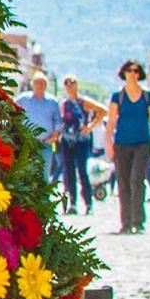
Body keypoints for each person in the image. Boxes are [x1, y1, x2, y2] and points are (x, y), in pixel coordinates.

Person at [104, 59, 150, 234]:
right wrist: (108, 143)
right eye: (129, 70)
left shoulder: (147, 96)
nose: (132, 74)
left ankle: (138, 219)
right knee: (123, 182)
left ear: (140, 74)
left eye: (136, 71)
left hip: (142, 144)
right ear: (124, 73)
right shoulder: (118, 96)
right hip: (121, 144)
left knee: (137, 180)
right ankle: (126, 221)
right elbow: (112, 120)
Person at [54, 75, 103, 214]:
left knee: (82, 170)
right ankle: (72, 203)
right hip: (66, 140)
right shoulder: (63, 103)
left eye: (72, 83)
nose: (70, 85)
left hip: (81, 140)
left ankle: (88, 203)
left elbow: (102, 111)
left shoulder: (83, 101)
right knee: (69, 172)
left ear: (77, 85)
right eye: (67, 83)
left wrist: (90, 126)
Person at [14, 70, 60, 175]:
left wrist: (55, 136)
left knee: (43, 175)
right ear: (32, 84)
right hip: (26, 143)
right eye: (37, 82)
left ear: (46, 85)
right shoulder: (23, 99)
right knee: (25, 173)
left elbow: (58, 121)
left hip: (45, 144)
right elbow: (11, 110)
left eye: (43, 83)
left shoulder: (53, 102)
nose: (40, 85)